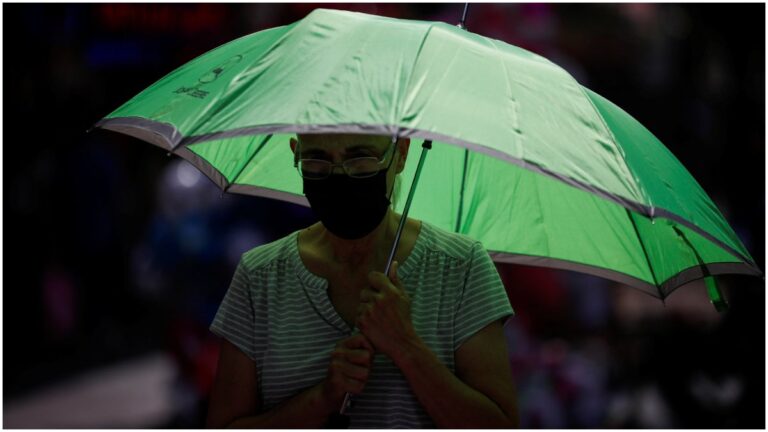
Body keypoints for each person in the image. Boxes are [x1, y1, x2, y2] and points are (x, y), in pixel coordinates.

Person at [206, 133, 518, 428]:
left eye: (361, 158)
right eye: (318, 160)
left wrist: (406, 347)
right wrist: (323, 397)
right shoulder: (260, 276)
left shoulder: (460, 267)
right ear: (295, 153)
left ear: (401, 153)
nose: (340, 176)